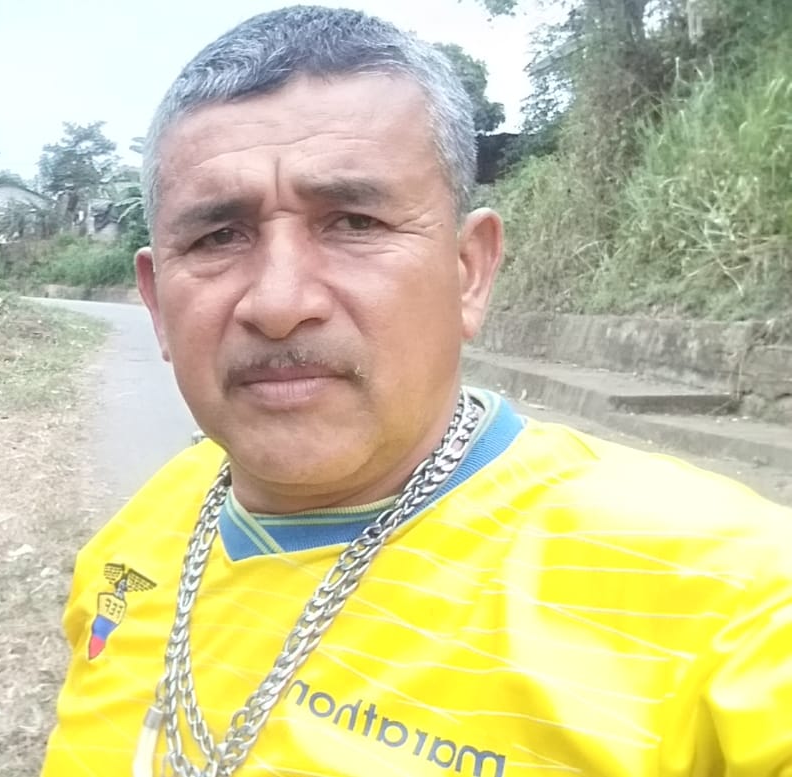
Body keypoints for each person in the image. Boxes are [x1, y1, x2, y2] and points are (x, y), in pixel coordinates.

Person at [39, 6, 792, 777]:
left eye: (353, 222)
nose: (278, 301)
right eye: (217, 237)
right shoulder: (128, 550)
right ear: (157, 302)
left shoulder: (725, 598)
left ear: (469, 272)